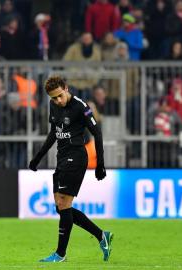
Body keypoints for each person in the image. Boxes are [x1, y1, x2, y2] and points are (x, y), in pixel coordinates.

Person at [28, 76, 112, 263]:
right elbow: (53, 133)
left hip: (76, 157)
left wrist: (100, 164)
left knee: (64, 204)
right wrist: (38, 158)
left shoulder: (80, 106)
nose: (58, 100)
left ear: (66, 88)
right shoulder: (53, 105)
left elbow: (97, 133)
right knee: (61, 206)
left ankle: (60, 254)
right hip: (62, 157)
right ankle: (101, 235)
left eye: (59, 96)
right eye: (53, 98)